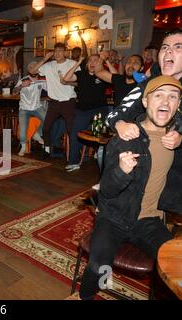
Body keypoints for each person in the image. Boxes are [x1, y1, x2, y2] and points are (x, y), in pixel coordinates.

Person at [78, 75, 180, 300]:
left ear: (178, 104)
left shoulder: (175, 140)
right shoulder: (126, 137)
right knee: (98, 267)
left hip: (149, 220)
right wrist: (121, 171)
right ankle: (83, 297)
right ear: (145, 101)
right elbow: (107, 190)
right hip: (114, 217)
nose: (165, 101)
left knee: (176, 270)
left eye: (172, 96)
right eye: (158, 95)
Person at [106, 28, 182, 215]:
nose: (169, 51)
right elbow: (115, 114)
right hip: (147, 167)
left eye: (178, 47)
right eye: (165, 47)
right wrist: (120, 124)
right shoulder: (148, 84)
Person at [29, 42, 80, 158]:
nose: (57, 53)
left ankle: (73, 153)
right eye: (55, 51)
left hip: (68, 101)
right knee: (46, 128)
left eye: (60, 51)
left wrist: (67, 82)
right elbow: (32, 72)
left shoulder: (73, 64)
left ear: (65, 53)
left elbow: (79, 83)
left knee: (71, 129)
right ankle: (47, 149)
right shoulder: (49, 65)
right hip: (54, 102)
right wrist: (45, 59)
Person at [63, 54, 110, 172]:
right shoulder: (81, 74)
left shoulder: (103, 75)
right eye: (90, 61)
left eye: (96, 60)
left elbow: (117, 77)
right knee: (74, 133)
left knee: (97, 134)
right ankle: (74, 162)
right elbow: (66, 79)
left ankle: (98, 155)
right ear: (87, 64)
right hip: (82, 110)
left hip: (99, 109)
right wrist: (78, 62)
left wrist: (106, 62)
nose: (93, 63)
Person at [12, 61, 47, 156]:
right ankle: (23, 147)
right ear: (28, 70)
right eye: (31, 66)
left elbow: (51, 89)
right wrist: (21, 85)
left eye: (35, 66)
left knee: (48, 120)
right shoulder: (23, 79)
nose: (33, 67)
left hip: (37, 106)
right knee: (23, 128)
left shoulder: (42, 80)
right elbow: (14, 92)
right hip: (24, 108)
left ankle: (36, 133)